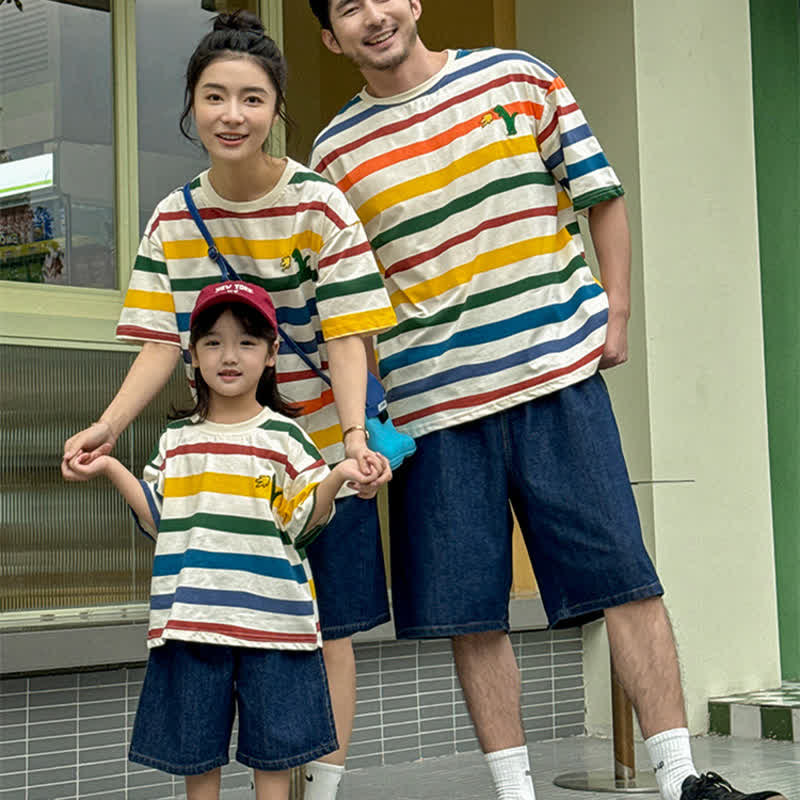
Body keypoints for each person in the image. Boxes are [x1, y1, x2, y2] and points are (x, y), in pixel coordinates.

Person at [305, 3, 789, 800]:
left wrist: (618, 312)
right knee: (472, 614)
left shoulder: (519, 77)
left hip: (556, 380)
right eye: (347, 8)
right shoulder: (334, 151)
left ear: (414, 2)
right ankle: (515, 793)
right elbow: (347, 306)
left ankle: (681, 779)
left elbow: (600, 195)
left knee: (625, 579)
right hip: (434, 412)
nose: (372, 15)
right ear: (331, 38)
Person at [62, 11, 396, 799]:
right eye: (215, 97)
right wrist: (109, 426)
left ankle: (323, 791)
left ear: (278, 108)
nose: (233, 115)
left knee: (331, 630)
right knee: (226, 637)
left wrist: (351, 442)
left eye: (252, 98)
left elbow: (349, 334)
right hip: (220, 460)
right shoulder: (174, 219)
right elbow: (158, 340)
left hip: (315, 449)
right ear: (192, 106)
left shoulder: (320, 203)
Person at [66, 281, 381, 800]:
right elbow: (159, 517)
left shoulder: (286, 438)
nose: (228, 356)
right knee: (197, 756)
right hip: (190, 625)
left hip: (274, 627)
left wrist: (339, 474)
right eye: (212, 342)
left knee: (274, 757)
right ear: (192, 355)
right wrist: (112, 467)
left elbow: (301, 522)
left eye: (247, 342)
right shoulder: (176, 440)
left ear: (273, 353)